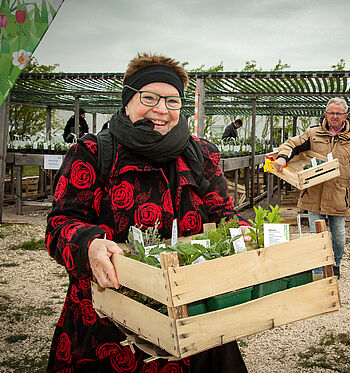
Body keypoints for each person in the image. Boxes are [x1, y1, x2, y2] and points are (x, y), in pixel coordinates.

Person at [45, 53, 250, 372]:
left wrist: (242, 232)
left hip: (191, 317)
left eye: (172, 101)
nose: (161, 109)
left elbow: (224, 213)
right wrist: (90, 245)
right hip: (111, 325)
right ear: (128, 99)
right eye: (150, 97)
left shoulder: (202, 154)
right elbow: (60, 224)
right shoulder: (93, 152)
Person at [274, 97, 350, 279]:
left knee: (338, 235)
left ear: (345, 116)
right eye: (331, 112)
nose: (334, 116)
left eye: (338, 113)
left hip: (339, 195)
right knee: (315, 234)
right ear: (325, 114)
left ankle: (336, 263)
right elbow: (291, 144)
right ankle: (318, 270)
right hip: (314, 194)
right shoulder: (313, 134)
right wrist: (283, 157)